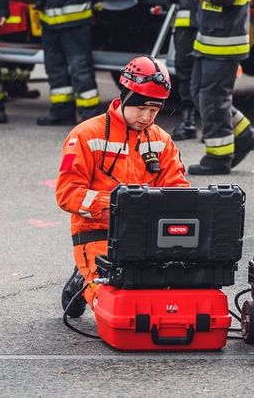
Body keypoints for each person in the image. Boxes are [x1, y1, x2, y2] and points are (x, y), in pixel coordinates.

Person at [56, 57, 190, 317]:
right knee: (117, 307)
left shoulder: (162, 140)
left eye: (154, 110)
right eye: (141, 108)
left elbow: (178, 190)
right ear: (126, 97)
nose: (147, 117)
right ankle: (84, 280)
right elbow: (67, 193)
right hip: (97, 235)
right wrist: (120, 208)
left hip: (147, 237)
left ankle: (84, 276)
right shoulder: (84, 135)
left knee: (164, 300)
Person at [177, 0, 254, 175]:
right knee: (199, 94)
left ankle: (219, 158)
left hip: (224, 45)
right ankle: (244, 135)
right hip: (208, 42)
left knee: (214, 101)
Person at [36, 0, 108, 126]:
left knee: (80, 67)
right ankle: (61, 111)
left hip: (74, 19)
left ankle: (90, 114)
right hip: (49, 18)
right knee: (54, 67)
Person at [167, 0, 212, 141]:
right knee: (184, 69)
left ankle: (214, 124)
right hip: (187, 18)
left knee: (211, 73)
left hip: (213, 18)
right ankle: (187, 121)